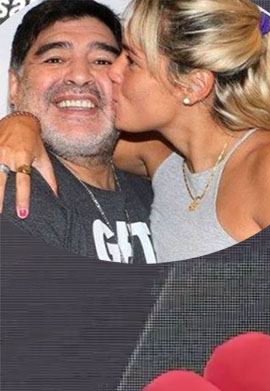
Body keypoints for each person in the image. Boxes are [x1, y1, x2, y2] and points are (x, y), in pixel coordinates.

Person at [0, 0, 270, 262]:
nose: (111, 72)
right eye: (55, 59)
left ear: (192, 85)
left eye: (130, 60)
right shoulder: (160, 158)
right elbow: (75, 135)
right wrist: (21, 120)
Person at [1, 0, 156, 263]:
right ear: (14, 86)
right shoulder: (16, 194)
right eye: (55, 59)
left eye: (101, 61)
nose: (80, 76)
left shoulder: (164, 188)